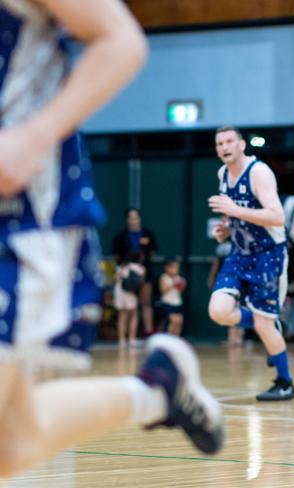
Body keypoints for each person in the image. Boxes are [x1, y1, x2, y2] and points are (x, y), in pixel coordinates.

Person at [0, 0, 222, 477]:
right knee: (11, 447)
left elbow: (121, 40)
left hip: (18, 218)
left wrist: (33, 136)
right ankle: (156, 390)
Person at [207, 126, 294, 401]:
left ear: (242, 144)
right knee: (218, 311)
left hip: (268, 254)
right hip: (239, 251)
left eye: (230, 141)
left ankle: (285, 383)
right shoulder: (223, 174)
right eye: (220, 143)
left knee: (263, 324)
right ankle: (265, 322)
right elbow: (236, 218)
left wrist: (234, 211)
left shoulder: (259, 173)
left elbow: (277, 216)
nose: (225, 146)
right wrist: (226, 229)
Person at [112, 207, 158, 335]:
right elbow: (116, 257)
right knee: (127, 307)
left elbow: (153, 251)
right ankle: (126, 336)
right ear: (127, 220)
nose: (134, 221)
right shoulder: (121, 236)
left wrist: (143, 264)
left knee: (146, 302)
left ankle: (148, 332)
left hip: (145, 272)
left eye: (136, 218)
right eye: (131, 218)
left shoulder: (147, 234)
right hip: (127, 275)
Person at [207, 240, 243, 346]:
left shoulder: (242, 245)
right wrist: (212, 278)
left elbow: (215, 265)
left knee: (235, 309)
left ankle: (234, 338)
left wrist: (211, 278)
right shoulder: (223, 248)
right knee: (235, 308)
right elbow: (216, 264)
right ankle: (235, 338)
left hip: (235, 281)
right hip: (231, 282)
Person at [114, 249, 146, 347]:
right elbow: (141, 283)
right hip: (131, 293)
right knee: (134, 315)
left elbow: (116, 278)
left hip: (119, 291)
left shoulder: (122, 267)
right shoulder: (141, 268)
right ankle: (132, 339)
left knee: (122, 316)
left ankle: (122, 340)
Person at [159, 259, 185, 336]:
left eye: (177, 268)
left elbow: (181, 290)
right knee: (173, 321)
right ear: (167, 268)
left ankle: (176, 339)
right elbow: (162, 290)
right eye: (174, 268)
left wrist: (182, 284)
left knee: (179, 321)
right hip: (167, 303)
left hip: (177, 303)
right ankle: (169, 339)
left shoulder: (178, 278)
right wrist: (173, 284)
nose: (176, 270)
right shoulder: (163, 277)